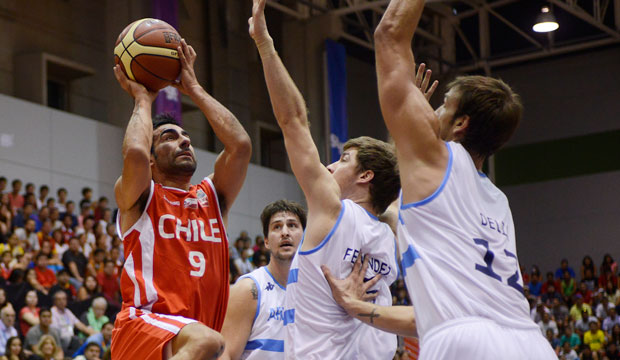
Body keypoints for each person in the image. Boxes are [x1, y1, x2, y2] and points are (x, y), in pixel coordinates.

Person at [324, 0, 557, 358]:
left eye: (444, 104)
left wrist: (409, 118)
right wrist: (359, 309)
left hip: (466, 342)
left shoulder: (438, 157)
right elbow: (431, 313)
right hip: (532, 344)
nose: (432, 109)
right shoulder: (497, 201)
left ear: (461, 124)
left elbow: (388, 35)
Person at [249, 1, 400, 358]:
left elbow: (293, 120)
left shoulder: (331, 209)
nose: (331, 166)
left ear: (365, 176)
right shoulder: (389, 234)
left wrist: (264, 43)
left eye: (343, 159)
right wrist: (405, 127)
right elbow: (395, 182)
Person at [110, 34, 251, 360]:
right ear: (151, 157)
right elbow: (133, 152)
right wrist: (142, 99)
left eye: (186, 137)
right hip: (142, 327)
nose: (184, 142)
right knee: (207, 342)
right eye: (170, 138)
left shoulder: (213, 196)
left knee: (208, 343)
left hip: (190, 341)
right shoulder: (141, 195)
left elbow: (240, 146)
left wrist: (195, 90)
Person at [220, 200, 306, 359]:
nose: (285, 232)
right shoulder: (249, 289)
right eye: (277, 227)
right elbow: (225, 355)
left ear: (305, 237)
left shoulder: (316, 290)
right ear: (266, 241)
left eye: (292, 225)